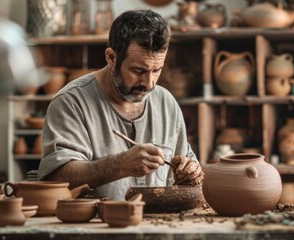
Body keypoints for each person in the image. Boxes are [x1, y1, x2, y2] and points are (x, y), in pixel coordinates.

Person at [38, 9, 203, 200]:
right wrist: (120, 165)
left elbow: (187, 168)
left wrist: (192, 171)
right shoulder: (71, 102)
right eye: (138, 70)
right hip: (95, 226)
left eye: (157, 70)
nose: (149, 83)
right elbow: (56, 178)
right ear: (111, 57)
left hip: (158, 224)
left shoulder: (166, 103)